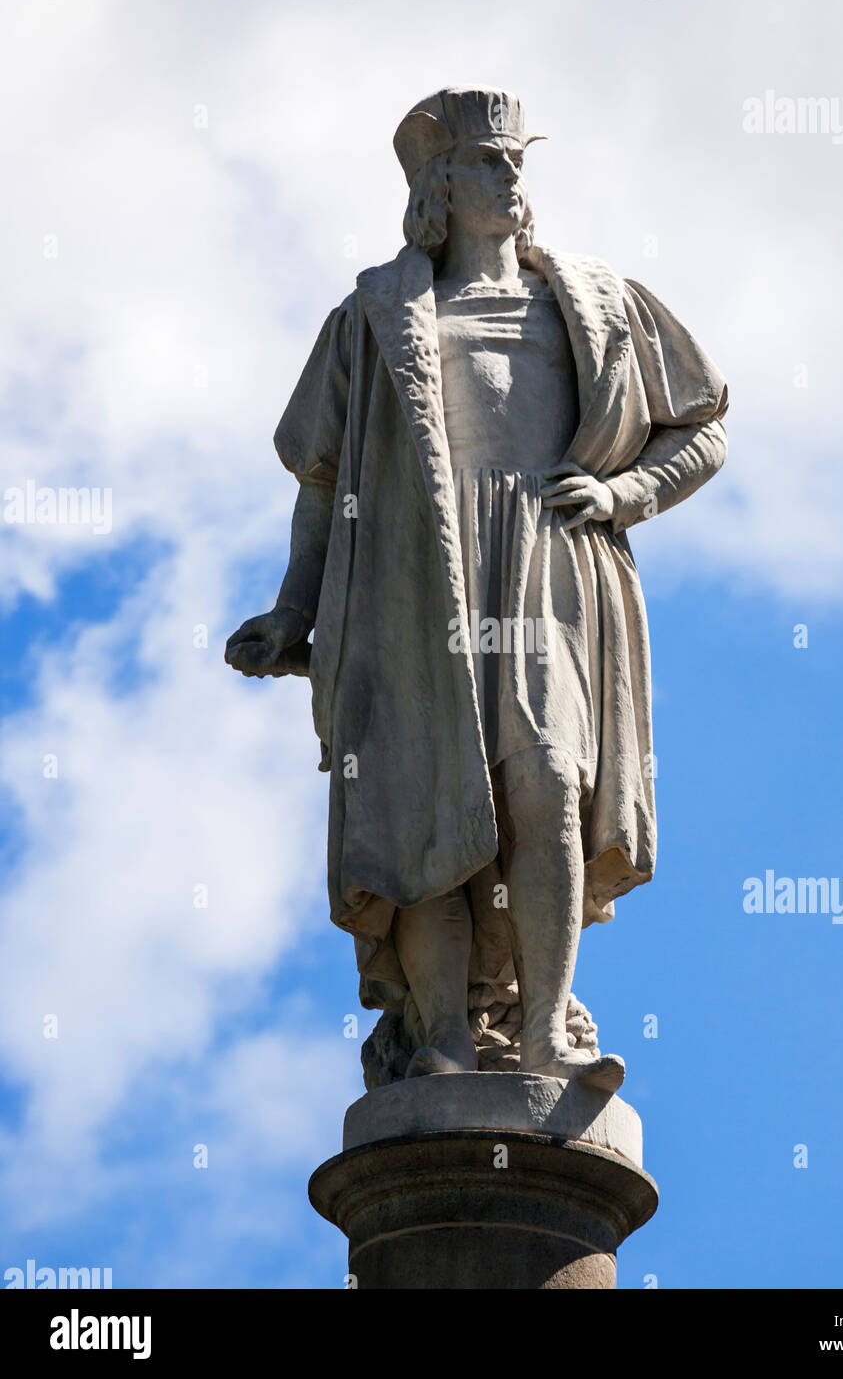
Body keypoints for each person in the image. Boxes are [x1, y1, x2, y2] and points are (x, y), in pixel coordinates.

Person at [226, 86, 728, 1092]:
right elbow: (322, 482)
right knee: (426, 802)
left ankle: (545, 1035)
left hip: (547, 567)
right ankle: (443, 1043)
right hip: (410, 583)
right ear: (437, 191)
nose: (511, 179)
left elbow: (702, 425)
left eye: (515, 162)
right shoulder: (372, 314)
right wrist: (294, 607)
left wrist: (626, 488)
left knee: (544, 782)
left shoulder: (592, 300)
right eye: (487, 164)